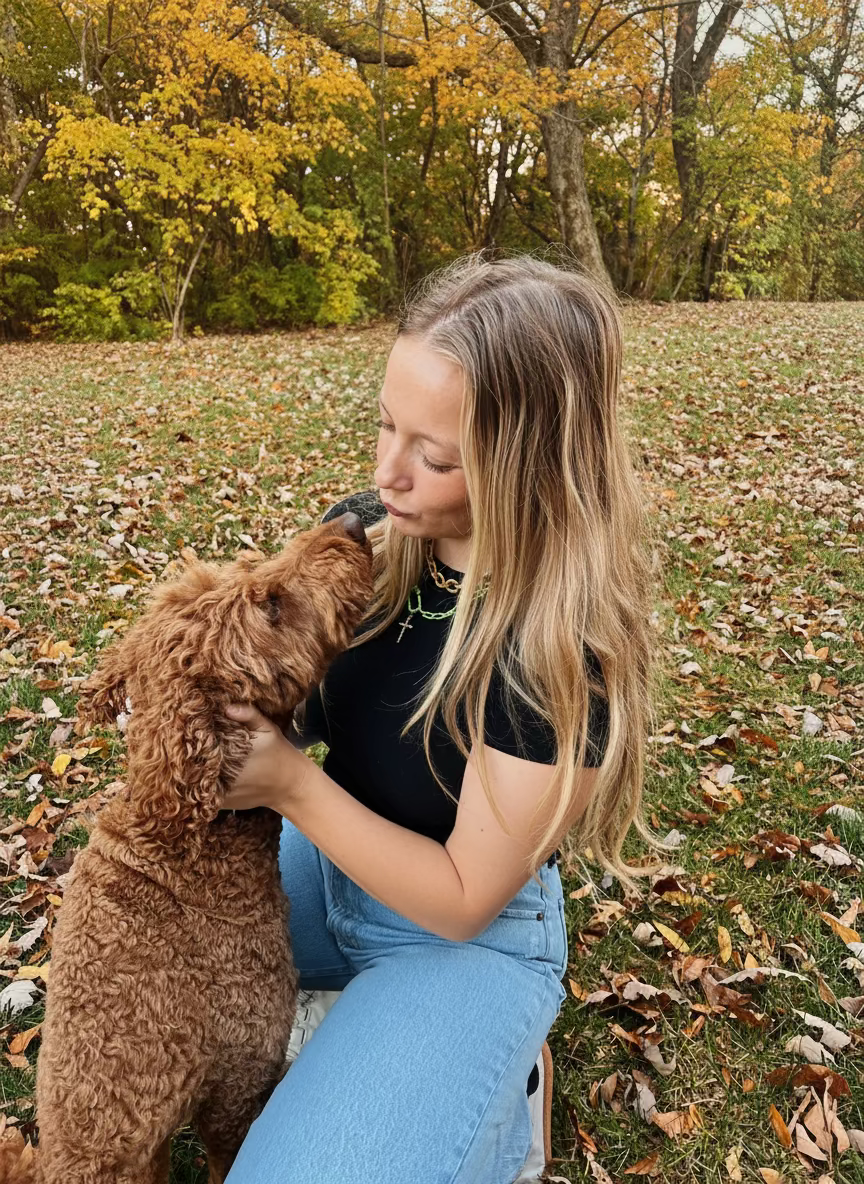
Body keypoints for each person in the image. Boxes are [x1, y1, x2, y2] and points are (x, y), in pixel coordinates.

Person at [218, 249, 661, 1183]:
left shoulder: (557, 648)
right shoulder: (375, 534)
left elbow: (464, 898)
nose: (388, 472)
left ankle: (499, 1093)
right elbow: (281, 677)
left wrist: (289, 783)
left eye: (435, 456)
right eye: (386, 425)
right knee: (155, 966)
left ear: (527, 462)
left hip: (462, 934)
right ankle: (378, 1035)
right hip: (333, 861)